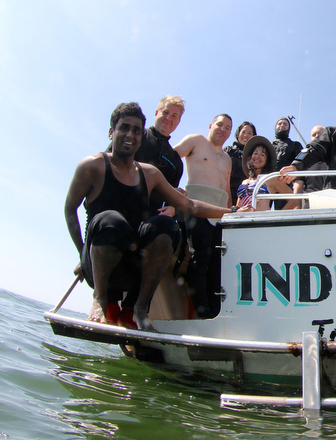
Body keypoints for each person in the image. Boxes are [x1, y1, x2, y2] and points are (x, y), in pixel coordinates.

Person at [64, 103, 230, 331]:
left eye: (135, 131)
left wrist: (232, 212)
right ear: (111, 132)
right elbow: (69, 209)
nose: (130, 135)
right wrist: (82, 252)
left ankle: (138, 310)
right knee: (112, 220)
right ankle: (101, 300)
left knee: (166, 226)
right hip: (101, 261)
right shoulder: (93, 166)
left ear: (141, 138)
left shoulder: (150, 174)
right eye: (124, 128)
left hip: (134, 262)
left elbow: (188, 204)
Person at [174, 114, 233, 317]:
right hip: (196, 206)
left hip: (219, 214)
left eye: (227, 128)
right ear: (210, 125)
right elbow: (172, 159)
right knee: (200, 255)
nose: (222, 130)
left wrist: (232, 215)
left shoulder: (227, 159)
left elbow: (226, 188)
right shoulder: (196, 141)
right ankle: (201, 309)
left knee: (218, 261)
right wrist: (172, 191)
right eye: (219, 125)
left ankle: (215, 309)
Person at [235, 135, 300, 211]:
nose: (257, 157)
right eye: (255, 153)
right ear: (250, 157)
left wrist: (276, 217)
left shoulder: (271, 178)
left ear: (267, 160)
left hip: (262, 220)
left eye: (262, 155)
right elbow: (238, 206)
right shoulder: (244, 182)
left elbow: (294, 200)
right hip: (243, 221)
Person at [225, 121, 256, 202]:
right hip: (227, 192)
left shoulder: (255, 156)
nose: (246, 135)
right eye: (243, 132)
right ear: (238, 133)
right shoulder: (228, 151)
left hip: (246, 195)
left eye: (250, 133)